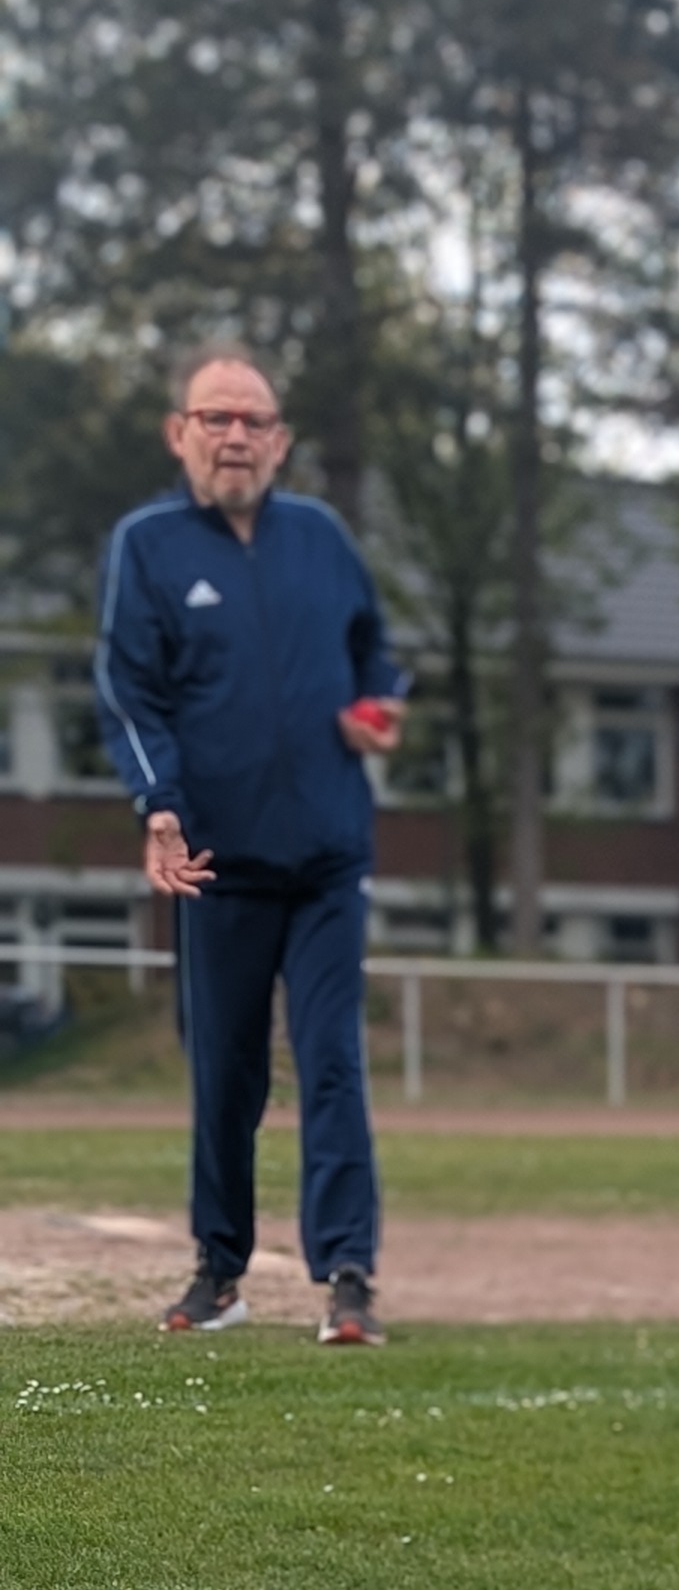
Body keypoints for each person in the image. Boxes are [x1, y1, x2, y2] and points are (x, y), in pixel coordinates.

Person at [94, 343, 409, 1346]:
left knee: (331, 1064)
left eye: (254, 421)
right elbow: (128, 692)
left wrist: (377, 708)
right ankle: (220, 1271)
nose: (236, 436)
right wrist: (161, 806)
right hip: (216, 862)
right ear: (178, 433)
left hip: (326, 856)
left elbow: (378, 653)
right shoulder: (145, 547)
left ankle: (348, 1276)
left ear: (281, 442)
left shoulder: (320, 537)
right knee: (225, 1072)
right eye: (216, 418)